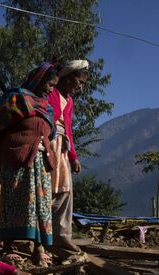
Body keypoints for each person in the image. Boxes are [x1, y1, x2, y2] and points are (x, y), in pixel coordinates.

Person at [0, 62, 59, 266]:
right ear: (39, 80)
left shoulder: (47, 108)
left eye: (54, 86)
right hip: (16, 158)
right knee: (14, 201)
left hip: (41, 161)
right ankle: (8, 247)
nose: (50, 89)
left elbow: (51, 131)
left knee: (40, 205)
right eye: (49, 84)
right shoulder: (16, 98)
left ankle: (39, 248)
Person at [48, 60, 89, 260]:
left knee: (65, 190)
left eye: (82, 83)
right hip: (47, 144)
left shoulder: (70, 101)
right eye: (79, 81)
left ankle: (62, 235)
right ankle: (43, 236)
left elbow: (69, 130)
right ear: (67, 76)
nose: (80, 86)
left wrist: (73, 157)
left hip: (62, 147)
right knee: (45, 189)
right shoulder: (51, 93)